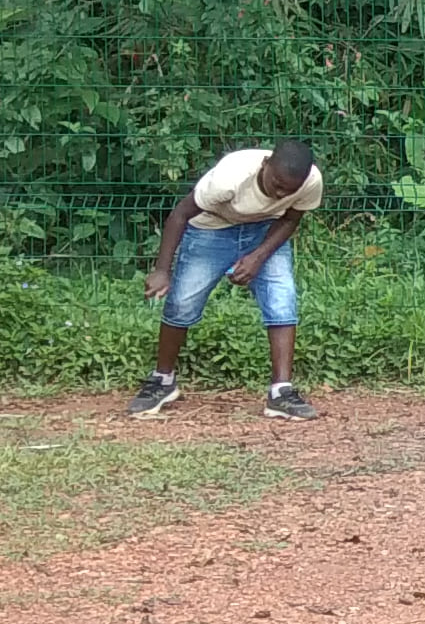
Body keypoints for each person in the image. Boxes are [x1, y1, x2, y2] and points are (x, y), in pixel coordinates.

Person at [129, 138, 323, 420]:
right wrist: (161, 270)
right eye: (276, 183)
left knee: (282, 298)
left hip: (266, 230)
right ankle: (162, 380)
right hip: (212, 229)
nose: (280, 193)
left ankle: (281, 392)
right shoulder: (229, 177)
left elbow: (291, 219)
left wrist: (258, 256)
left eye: (288, 190)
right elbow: (181, 214)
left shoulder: (310, 181)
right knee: (182, 303)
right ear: (265, 165)